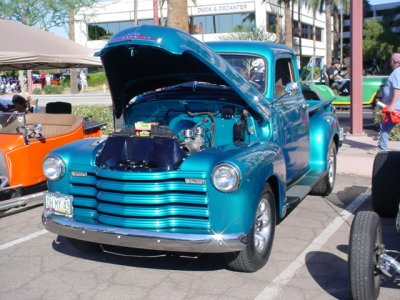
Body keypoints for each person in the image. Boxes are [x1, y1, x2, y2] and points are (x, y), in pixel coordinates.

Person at [370, 53, 400, 154]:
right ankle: (381, 147)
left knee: (386, 126)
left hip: (395, 107)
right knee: (386, 126)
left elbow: (397, 89)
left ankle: (382, 148)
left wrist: (392, 104)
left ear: (393, 61)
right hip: (395, 105)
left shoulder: (397, 73)